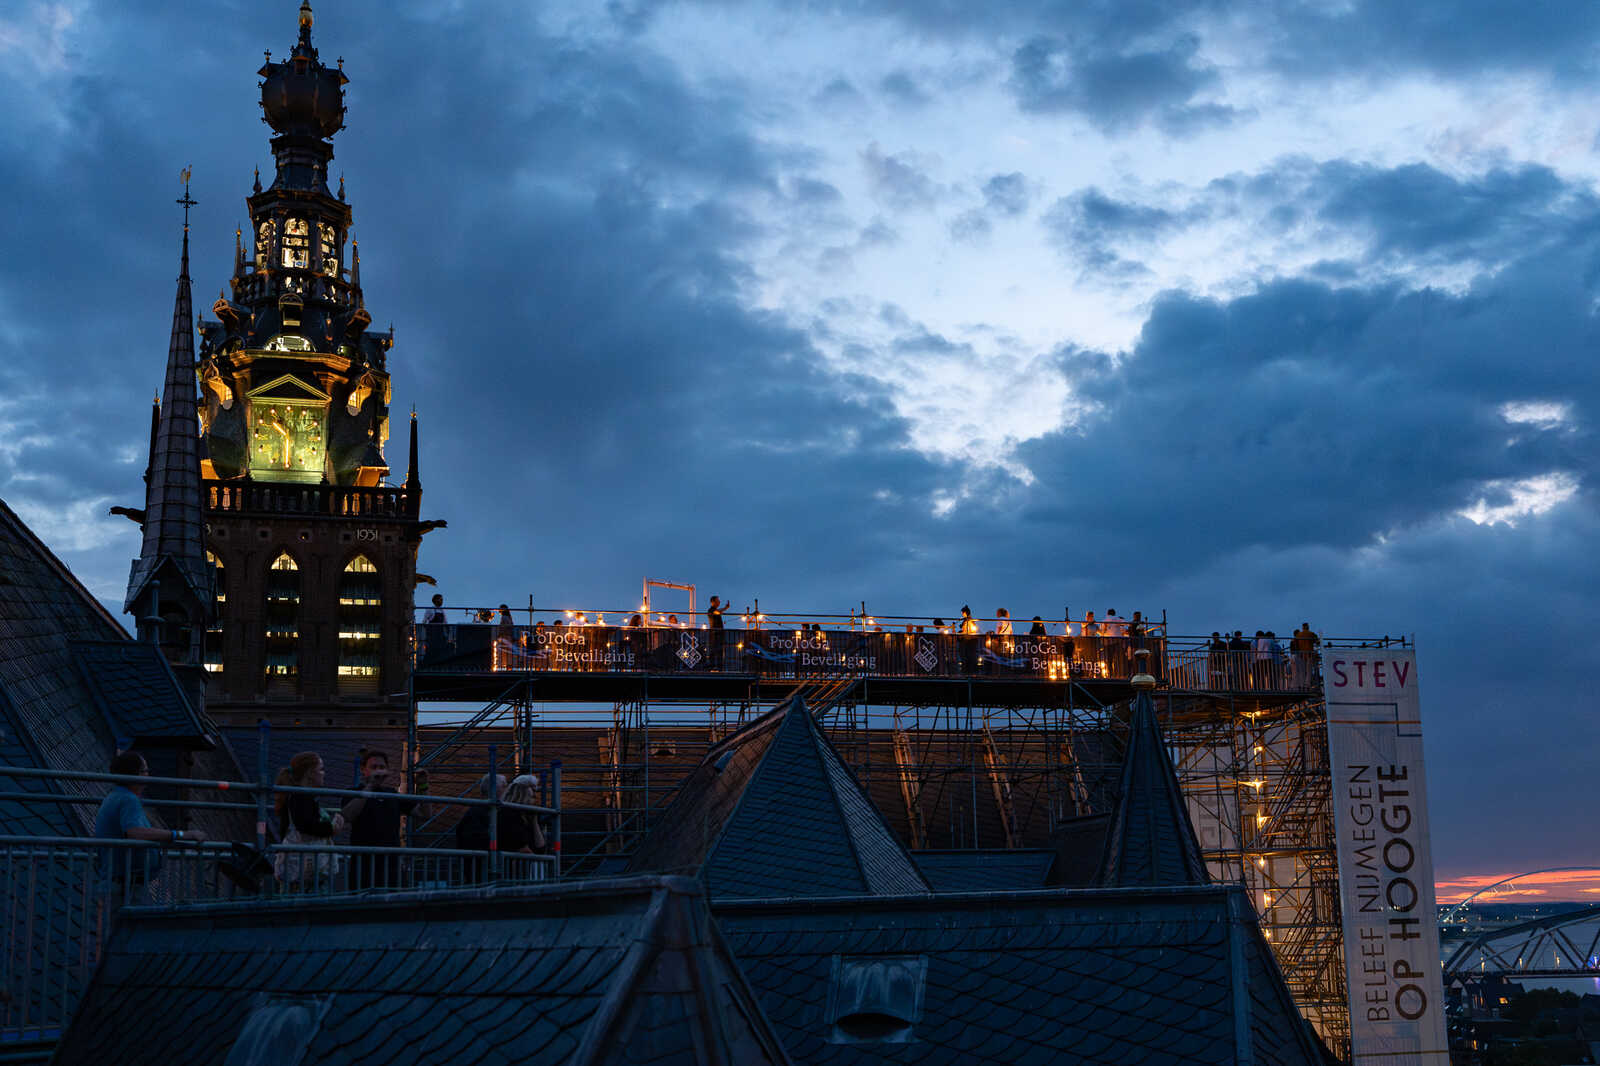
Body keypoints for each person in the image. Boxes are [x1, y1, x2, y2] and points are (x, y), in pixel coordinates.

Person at [94, 751, 205, 903]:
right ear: (135, 775)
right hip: (124, 886)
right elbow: (135, 832)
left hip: (119, 882)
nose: (148, 774)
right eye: (145, 770)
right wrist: (179, 834)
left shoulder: (115, 796)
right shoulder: (128, 800)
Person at [342, 749, 429, 890]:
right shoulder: (353, 792)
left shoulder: (392, 794)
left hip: (390, 864)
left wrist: (423, 786)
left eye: (382, 767)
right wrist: (370, 786)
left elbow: (424, 814)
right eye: (373, 767)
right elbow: (347, 816)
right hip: (364, 865)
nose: (378, 771)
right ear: (363, 770)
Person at [274, 752, 343, 888]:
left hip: (300, 866)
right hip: (302, 869)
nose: (324, 773)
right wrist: (331, 829)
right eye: (321, 769)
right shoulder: (300, 797)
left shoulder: (299, 796)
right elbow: (306, 825)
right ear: (310, 773)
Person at [706, 595, 729, 669]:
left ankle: (718, 666)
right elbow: (716, 612)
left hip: (718, 634)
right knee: (714, 650)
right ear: (713, 602)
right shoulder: (711, 610)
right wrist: (725, 608)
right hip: (715, 634)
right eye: (717, 601)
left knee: (719, 651)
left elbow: (718, 612)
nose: (719, 602)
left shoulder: (714, 610)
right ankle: (712, 666)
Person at [958, 606, 979, 673]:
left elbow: (967, 631)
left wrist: (960, 634)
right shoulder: (970, 620)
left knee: (968, 656)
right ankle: (971, 671)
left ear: (965, 613)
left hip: (969, 640)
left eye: (962, 613)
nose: (962, 614)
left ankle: (968, 671)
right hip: (971, 640)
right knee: (970, 656)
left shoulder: (968, 621)